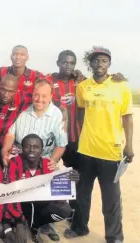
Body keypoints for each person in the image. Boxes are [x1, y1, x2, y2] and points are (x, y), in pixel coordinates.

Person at [64, 48, 134, 243]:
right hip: (86, 150)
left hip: (110, 152)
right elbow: (80, 111)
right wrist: (79, 136)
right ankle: (79, 228)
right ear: (91, 64)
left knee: (111, 200)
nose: (100, 64)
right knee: (82, 194)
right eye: (96, 61)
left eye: (104, 60)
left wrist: (129, 145)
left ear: (109, 64)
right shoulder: (83, 86)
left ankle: (114, 236)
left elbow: (127, 118)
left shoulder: (120, 86)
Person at [1, 78, 67, 241]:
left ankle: (42, 225)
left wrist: (53, 159)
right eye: (36, 95)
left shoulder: (57, 114)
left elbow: (61, 143)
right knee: (15, 194)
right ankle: (18, 222)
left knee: (55, 201)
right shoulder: (23, 111)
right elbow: (11, 133)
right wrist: (5, 150)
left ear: (51, 96)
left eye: (44, 96)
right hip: (20, 161)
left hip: (45, 162)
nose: (40, 100)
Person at [5, 134, 79, 243]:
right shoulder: (14, 163)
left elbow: (58, 192)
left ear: (42, 150)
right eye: (27, 146)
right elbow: (10, 194)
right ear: (21, 149)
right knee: (20, 240)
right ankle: (20, 223)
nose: (31, 150)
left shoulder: (47, 164)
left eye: (36, 147)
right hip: (21, 204)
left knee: (64, 209)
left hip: (39, 205)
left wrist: (72, 180)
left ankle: (35, 226)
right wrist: (19, 221)